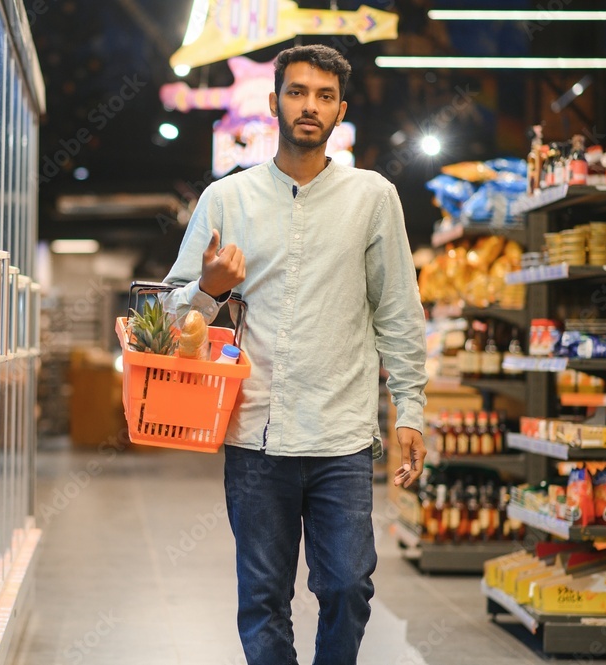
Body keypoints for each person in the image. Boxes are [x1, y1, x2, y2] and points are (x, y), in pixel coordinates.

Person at [163, 45, 427, 665]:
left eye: (325, 96)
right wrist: (210, 290)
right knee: (262, 598)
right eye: (299, 92)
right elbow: (172, 320)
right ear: (274, 100)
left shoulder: (373, 197)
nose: (311, 106)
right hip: (256, 433)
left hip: (342, 434)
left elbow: (398, 311)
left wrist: (410, 409)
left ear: (340, 110)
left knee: (347, 585)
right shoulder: (226, 200)